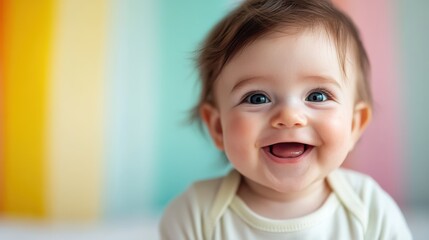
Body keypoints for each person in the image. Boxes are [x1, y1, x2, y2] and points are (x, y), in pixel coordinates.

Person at [159, 0, 412, 239]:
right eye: (257, 98)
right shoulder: (195, 215)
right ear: (218, 127)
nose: (289, 117)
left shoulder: (370, 210)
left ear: (354, 125)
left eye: (317, 95)